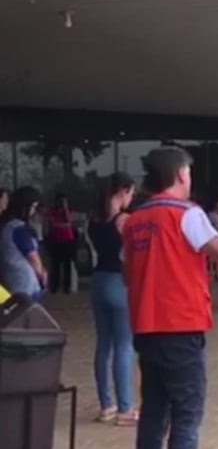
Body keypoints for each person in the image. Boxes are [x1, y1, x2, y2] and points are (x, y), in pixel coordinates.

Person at [122, 146, 218, 449]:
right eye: (189, 173)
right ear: (181, 174)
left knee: (153, 411)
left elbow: (129, 272)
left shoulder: (135, 221)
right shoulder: (186, 214)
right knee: (186, 415)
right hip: (180, 328)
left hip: (146, 329)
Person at [87, 172, 138, 426]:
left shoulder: (94, 220)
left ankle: (107, 405)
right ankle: (126, 408)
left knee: (104, 345)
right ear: (123, 191)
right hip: (120, 282)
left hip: (98, 281)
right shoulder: (124, 220)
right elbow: (132, 255)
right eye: (131, 192)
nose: (132, 197)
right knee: (124, 346)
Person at [0, 186, 47, 301]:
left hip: (13, 282)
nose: (33, 211)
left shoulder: (7, 226)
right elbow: (33, 257)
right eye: (33, 207)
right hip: (26, 284)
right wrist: (42, 274)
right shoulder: (18, 228)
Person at [45, 192, 77, 294]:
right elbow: (52, 224)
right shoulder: (52, 211)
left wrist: (66, 208)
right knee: (56, 265)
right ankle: (54, 287)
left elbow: (69, 221)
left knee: (67, 265)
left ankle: (67, 288)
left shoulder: (69, 211)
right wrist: (63, 225)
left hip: (68, 240)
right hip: (56, 240)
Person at [207, 198, 218, 282]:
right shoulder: (210, 215)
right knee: (211, 257)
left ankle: (217, 273)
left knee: (217, 257)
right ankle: (211, 273)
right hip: (212, 235)